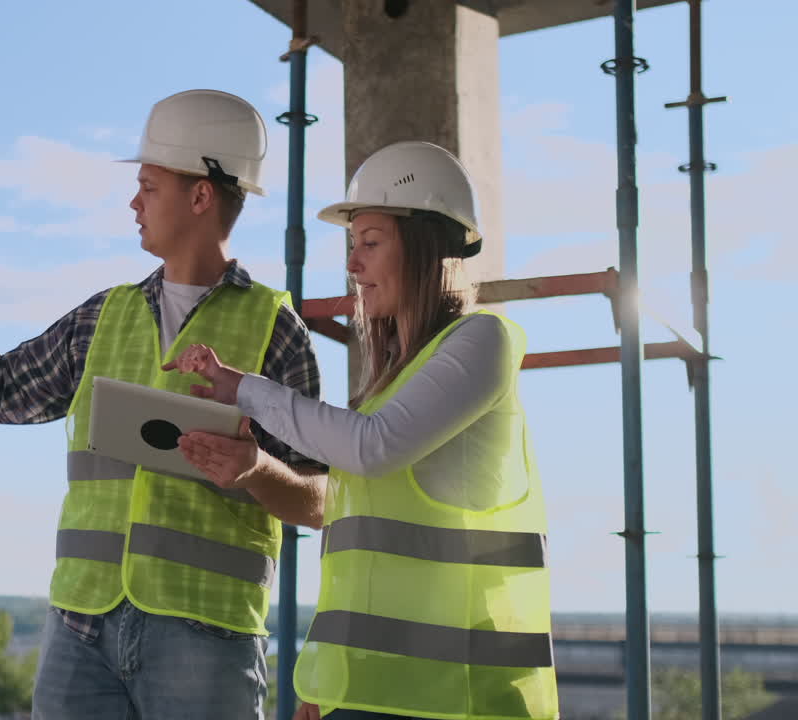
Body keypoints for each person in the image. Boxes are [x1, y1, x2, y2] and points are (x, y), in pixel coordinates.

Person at [0, 89, 327, 720]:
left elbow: (323, 501)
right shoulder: (103, 317)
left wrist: (257, 468)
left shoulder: (276, 330)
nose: (133, 202)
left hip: (205, 635)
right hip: (80, 629)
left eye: (149, 186)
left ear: (201, 196)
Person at [165, 141, 560, 720]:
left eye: (371, 244)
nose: (353, 265)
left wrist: (244, 388)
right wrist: (330, 681)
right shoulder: (393, 385)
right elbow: (360, 551)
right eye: (353, 247)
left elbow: (371, 447)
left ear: (428, 247)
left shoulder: (484, 341)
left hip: (463, 699)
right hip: (371, 697)